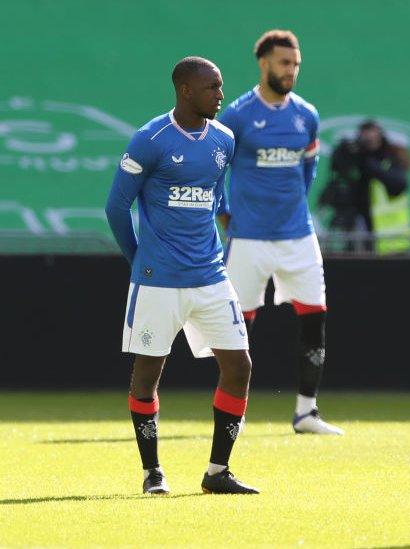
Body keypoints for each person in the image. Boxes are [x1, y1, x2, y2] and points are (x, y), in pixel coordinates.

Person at [105, 56, 259, 495]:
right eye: (212, 87)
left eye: (222, 86)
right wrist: (138, 260)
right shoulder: (149, 139)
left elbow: (215, 196)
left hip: (211, 276)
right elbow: (116, 207)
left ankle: (217, 472)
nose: (221, 95)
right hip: (158, 280)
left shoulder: (224, 139)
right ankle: (153, 473)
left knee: (239, 366)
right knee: (148, 375)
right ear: (186, 90)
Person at [217, 30, 343, 435]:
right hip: (248, 238)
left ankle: (306, 412)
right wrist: (224, 212)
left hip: (297, 236)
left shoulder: (306, 114)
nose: (292, 70)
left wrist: (291, 208)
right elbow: (214, 168)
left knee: (314, 317)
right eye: (284, 63)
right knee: (239, 325)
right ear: (264, 63)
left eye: (296, 64)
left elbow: (309, 169)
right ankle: (235, 411)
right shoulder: (236, 115)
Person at [318, 119, 410, 254]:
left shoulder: (389, 160)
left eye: (373, 137)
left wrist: (368, 162)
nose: (368, 141)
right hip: (358, 224)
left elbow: (399, 184)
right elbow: (339, 172)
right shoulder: (354, 159)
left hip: (390, 240)